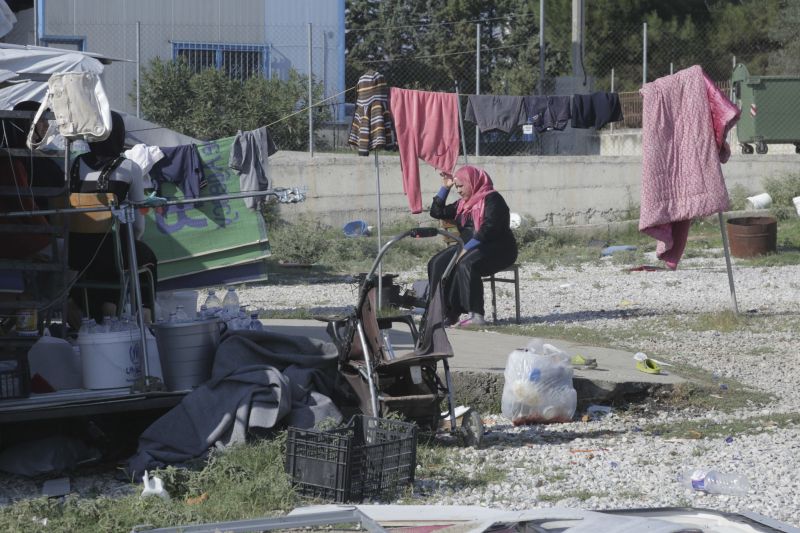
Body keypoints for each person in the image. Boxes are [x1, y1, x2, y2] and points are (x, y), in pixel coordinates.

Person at [68, 110, 157, 321]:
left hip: (75, 253)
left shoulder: (76, 164)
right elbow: (138, 224)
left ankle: (94, 306)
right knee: (144, 257)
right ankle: (143, 313)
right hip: (112, 251)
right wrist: (133, 241)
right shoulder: (129, 168)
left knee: (99, 258)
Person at [427, 165, 517, 326]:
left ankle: (477, 315)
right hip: (469, 247)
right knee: (437, 263)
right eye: (456, 187)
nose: (459, 191)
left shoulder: (493, 199)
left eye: (461, 186)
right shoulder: (462, 204)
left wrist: (467, 248)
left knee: (466, 263)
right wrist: (445, 187)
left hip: (498, 248)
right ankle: (444, 310)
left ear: (473, 182)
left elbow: (489, 228)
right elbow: (436, 212)